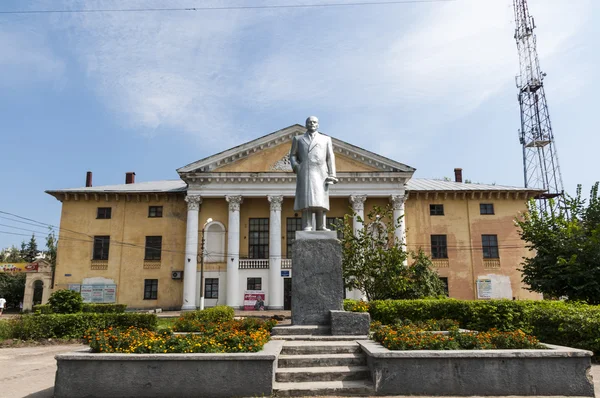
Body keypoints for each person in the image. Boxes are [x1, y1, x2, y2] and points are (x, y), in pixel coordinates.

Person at [290, 116, 338, 231]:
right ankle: (307, 225)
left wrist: (332, 174)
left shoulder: (325, 139)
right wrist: (296, 166)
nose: (312, 124)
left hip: (321, 172)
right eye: (309, 122)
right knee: (307, 200)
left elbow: (330, 157)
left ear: (318, 125)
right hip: (305, 171)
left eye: (314, 122)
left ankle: (322, 226)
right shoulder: (298, 139)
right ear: (306, 124)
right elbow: (292, 155)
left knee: (320, 201)